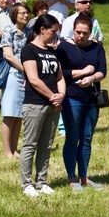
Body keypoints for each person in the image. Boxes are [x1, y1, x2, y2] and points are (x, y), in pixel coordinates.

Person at [55, 15, 107, 191]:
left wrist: (91, 77)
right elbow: (61, 73)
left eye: (85, 33)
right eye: (78, 32)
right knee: (72, 138)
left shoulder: (97, 47)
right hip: (72, 98)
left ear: (90, 32)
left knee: (86, 139)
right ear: (73, 29)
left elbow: (102, 71)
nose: (81, 36)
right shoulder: (64, 48)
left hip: (91, 98)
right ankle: (72, 178)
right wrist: (83, 72)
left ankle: (84, 176)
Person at [19, 14, 66, 198]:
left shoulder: (53, 52)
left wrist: (60, 95)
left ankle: (42, 182)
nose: (55, 35)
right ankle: (27, 184)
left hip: (53, 105)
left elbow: (60, 77)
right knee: (30, 144)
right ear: (42, 29)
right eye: (53, 31)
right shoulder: (29, 51)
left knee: (46, 145)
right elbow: (33, 79)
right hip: (35, 104)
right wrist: (52, 96)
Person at [0, 3, 30, 159]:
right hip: (13, 74)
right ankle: (7, 151)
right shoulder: (8, 30)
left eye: (27, 13)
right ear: (14, 15)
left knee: (19, 115)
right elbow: (8, 55)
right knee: (9, 113)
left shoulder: (29, 31)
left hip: (26, 76)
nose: (25, 15)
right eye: (22, 13)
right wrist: (26, 70)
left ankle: (14, 149)